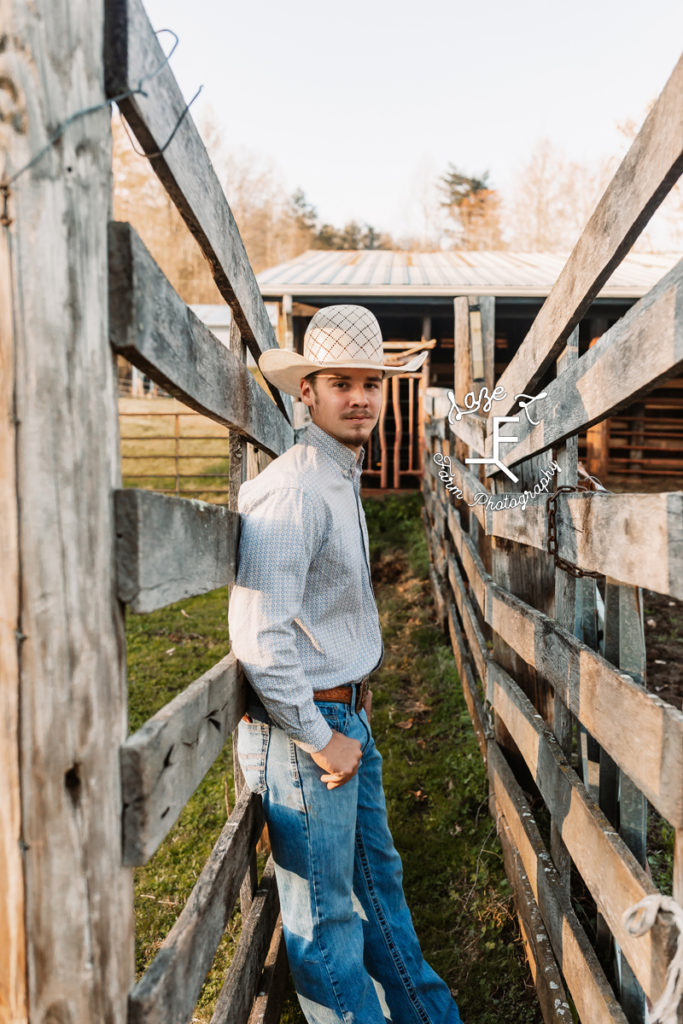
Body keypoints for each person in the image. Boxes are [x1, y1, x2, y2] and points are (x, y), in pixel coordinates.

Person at [228, 305, 464, 1024]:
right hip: (308, 729)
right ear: (308, 392)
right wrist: (316, 732)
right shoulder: (296, 488)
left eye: (370, 382)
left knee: (379, 887)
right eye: (340, 382)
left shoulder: (337, 476)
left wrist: (344, 723)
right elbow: (260, 633)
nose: (359, 396)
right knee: (325, 916)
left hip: (345, 715)